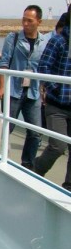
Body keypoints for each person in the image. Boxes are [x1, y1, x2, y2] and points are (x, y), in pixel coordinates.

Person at [0, 5, 47, 170]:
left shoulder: (44, 41)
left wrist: (43, 90)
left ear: (39, 21)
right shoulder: (13, 38)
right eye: (23, 19)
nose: (25, 23)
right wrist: (2, 86)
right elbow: (4, 63)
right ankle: (0, 156)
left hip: (33, 92)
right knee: (7, 127)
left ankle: (28, 164)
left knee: (35, 132)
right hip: (14, 90)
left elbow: (44, 67)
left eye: (29, 20)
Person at [33, 11, 71, 191]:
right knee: (58, 146)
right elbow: (43, 67)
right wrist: (57, 88)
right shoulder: (58, 41)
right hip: (57, 105)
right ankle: (36, 170)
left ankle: (69, 187)